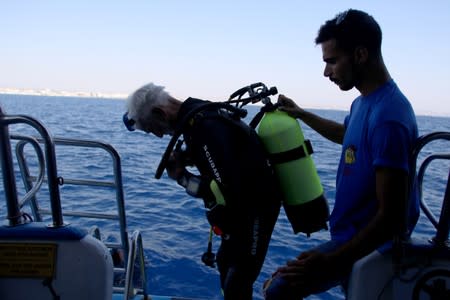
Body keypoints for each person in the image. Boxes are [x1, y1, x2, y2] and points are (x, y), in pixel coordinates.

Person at [264, 9, 419, 299]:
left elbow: (392, 217)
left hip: (373, 246)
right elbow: (346, 136)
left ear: (360, 55)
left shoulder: (389, 117)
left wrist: (332, 259)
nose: (326, 72)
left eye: (332, 61)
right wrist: (300, 114)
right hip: (348, 235)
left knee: (278, 291)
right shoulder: (364, 103)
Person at [123, 83, 281, 299]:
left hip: (253, 213)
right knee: (226, 263)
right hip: (240, 215)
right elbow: (223, 160)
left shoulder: (205, 126)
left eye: (154, 128)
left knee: (237, 280)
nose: (160, 136)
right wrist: (188, 158)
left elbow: (224, 190)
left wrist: (181, 176)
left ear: (160, 112)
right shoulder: (199, 116)